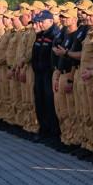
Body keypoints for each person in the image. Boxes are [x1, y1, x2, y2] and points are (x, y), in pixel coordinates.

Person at [30, 9, 60, 142]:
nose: (39, 24)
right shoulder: (41, 34)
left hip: (49, 73)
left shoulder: (55, 34)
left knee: (49, 102)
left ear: (51, 21)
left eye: (42, 22)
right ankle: (44, 130)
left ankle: (53, 133)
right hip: (39, 73)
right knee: (40, 102)